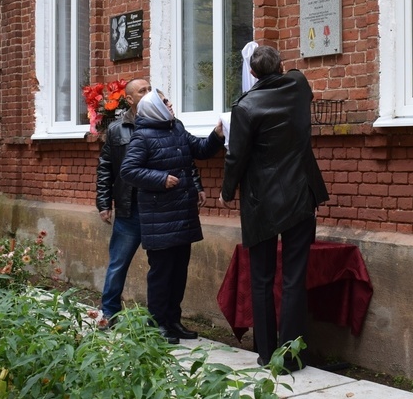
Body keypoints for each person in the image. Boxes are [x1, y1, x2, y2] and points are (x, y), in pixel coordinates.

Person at [218, 45, 329, 371]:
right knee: (294, 277)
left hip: (261, 201)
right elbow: (293, 77)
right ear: (281, 66)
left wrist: (226, 191)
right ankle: (292, 356)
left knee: (262, 278)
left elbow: (235, 157)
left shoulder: (245, 107)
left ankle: (267, 354)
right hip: (299, 195)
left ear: (251, 74)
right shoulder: (299, 85)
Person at [95, 78, 207, 328]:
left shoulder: (171, 123)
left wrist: (196, 185)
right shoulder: (117, 129)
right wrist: (104, 201)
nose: (147, 93)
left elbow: (183, 159)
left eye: (149, 89)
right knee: (118, 263)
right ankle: (109, 313)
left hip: (161, 207)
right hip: (131, 206)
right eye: (141, 90)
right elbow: (106, 167)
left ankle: (165, 321)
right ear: (130, 99)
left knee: (165, 267)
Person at [120, 90, 224, 344]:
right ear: (155, 107)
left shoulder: (176, 128)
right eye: (165, 102)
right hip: (160, 217)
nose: (170, 104)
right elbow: (128, 170)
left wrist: (217, 135)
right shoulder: (142, 136)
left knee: (179, 272)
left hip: (182, 213)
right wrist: (160, 179)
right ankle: (157, 325)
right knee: (162, 274)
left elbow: (198, 150)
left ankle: (173, 322)